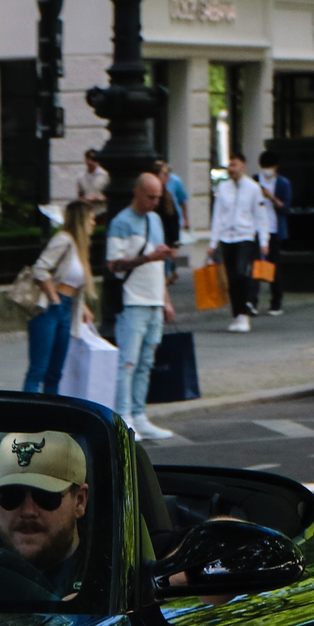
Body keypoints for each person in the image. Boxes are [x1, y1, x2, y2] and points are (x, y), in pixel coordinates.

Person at [105, 173, 179, 440]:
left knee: (146, 361)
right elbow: (114, 264)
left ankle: (139, 415)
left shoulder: (155, 220)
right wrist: (150, 257)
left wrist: (166, 301)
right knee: (129, 360)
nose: (155, 202)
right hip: (132, 300)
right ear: (137, 192)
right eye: (151, 196)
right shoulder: (121, 222)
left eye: (158, 197)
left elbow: (160, 266)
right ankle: (124, 416)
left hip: (153, 299)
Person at [0, 430, 88, 597]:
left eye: (46, 496)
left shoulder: (103, 581)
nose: (27, 511)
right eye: (11, 496)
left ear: (80, 501)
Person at [22, 201, 97, 394]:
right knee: (39, 369)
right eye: (90, 218)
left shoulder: (80, 247)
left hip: (68, 308)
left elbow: (75, 284)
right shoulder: (63, 239)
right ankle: (27, 415)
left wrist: (83, 309)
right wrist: (54, 298)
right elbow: (40, 268)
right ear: (80, 220)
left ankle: (51, 415)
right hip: (49, 308)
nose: (94, 223)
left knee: (55, 372)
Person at [208, 156, 273, 333]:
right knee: (230, 278)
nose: (231, 168)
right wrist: (213, 242)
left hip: (245, 236)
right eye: (229, 165)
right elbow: (218, 215)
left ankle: (245, 313)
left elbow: (261, 215)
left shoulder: (252, 188)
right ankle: (236, 314)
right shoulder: (223, 187)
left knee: (241, 273)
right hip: (227, 237)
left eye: (235, 165)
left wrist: (264, 240)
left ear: (243, 166)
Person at [255, 150, 292, 315]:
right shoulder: (255, 181)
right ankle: (252, 302)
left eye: (269, 167)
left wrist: (271, 197)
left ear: (275, 167)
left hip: (275, 229)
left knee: (274, 267)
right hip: (256, 229)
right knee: (255, 266)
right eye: (264, 167)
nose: (266, 170)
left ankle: (276, 302)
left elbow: (285, 208)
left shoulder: (283, 183)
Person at [154, 159, 189, 246]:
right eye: (164, 174)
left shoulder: (168, 193)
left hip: (168, 235)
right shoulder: (155, 193)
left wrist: (186, 219)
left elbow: (173, 216)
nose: (167, 177)